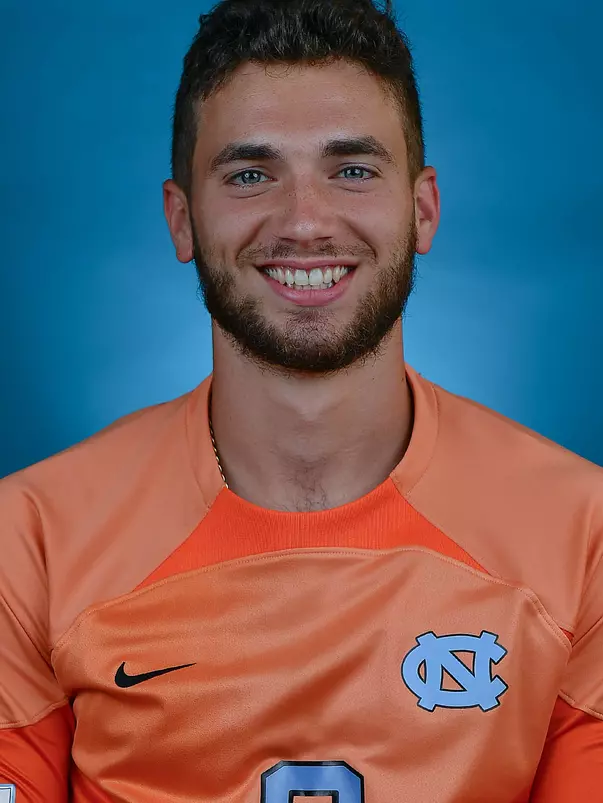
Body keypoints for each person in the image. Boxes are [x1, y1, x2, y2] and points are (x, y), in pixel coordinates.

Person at [1, 0, 601, 800]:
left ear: (422, 208)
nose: (305, 222)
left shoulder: (581, 532)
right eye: (251, 174)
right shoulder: (31, 538)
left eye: (351, 169)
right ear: (182, 220)